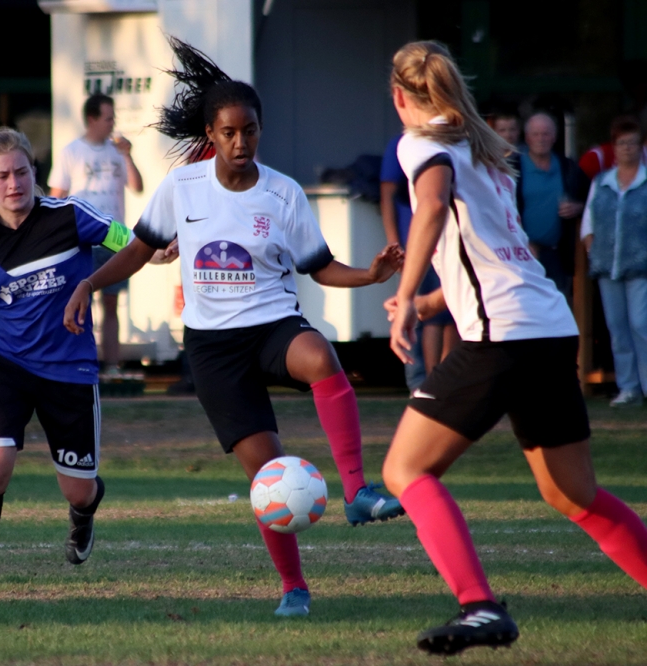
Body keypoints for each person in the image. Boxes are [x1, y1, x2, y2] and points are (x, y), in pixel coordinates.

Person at [63, 37, 405, 618]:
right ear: (211, 136)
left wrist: (371, 277)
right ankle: (293, 588)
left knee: (321, 356)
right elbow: (141, 249)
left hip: (273, 327)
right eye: (228, 132)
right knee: (269, 477)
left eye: (249, 130)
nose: (240, 141)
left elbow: (320, 269)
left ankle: (356, 491)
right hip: (214, 351)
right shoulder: (182, 188)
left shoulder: (284, 192)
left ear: (259, 131)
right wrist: (90, 284)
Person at [381, 41, 647, 656]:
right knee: (570, 493)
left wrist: (403, 287)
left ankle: (479, 607)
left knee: (405, 470)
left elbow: (429, 206)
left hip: (502, 336)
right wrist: (422, 306)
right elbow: (491, 258)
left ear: (400, 97)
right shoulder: (486, 150)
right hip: (549, 330)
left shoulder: (423, 145)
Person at [0, 128, 126, 606]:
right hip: (5, 364)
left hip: (70, 369)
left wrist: (156, 250)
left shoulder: (71, 216)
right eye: (3, 175)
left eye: (22, 172)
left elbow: (124, 238)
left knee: (78, 491)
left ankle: (84, 511)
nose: (14, 183)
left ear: (35, 173)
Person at [49, 92, 144, 377]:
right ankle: (80, 362)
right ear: (92, 119)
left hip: (115, 236)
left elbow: (137, 186)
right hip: (84, 238)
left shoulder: (117, 150)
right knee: (79, 301)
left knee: (112, 304)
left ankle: (112, 366)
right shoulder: (72, 151)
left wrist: (128, 154)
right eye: (108, 118)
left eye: (113, 117)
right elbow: (57, 196)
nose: (112, 124)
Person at [381, 134, 458, 389]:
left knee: (451, 313)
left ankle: (445, 383)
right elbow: (389, 195)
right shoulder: (405, 144)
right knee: (427, 317)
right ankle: (425, 385)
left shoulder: (456, 141)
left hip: (452, 242)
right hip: (418, 243)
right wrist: (395, 245)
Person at [580, 115, 647, 407]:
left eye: (632, 143)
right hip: (607, 268)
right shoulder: (601, 182)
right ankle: (628, 388)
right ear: (614, 147)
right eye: (622, 143)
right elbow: (587, 224)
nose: (627, 148)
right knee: (617, 328)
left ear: (640, 146)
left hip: (640, 267)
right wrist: (595, 252)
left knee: (641, 324)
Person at [515, 113, 589, 301]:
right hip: (524, 253)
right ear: (527, 137)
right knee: (527, 306)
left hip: (558, 255)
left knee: (558, 306)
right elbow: (502, 209)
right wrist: (521, 241)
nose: (541, 139)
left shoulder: (568, 167)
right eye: (536, 134)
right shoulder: (514, 168)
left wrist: (578, 208)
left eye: (546, 134)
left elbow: (592, 200)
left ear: (554, 137)